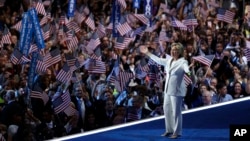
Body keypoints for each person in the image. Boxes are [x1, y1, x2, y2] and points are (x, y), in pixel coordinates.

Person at [140, 42, 192, 139]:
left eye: (176, 50)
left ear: (180, 52)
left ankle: (177, 132)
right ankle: (169, 130)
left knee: (176, 112)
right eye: (173, 50)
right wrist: (147, 53)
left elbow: (187, 71)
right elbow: (158, 60)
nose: (174, 52)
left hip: (176, 91)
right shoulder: (169, 60)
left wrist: (189, 71)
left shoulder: (183, 62)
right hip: (167, 89)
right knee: (166, 109)